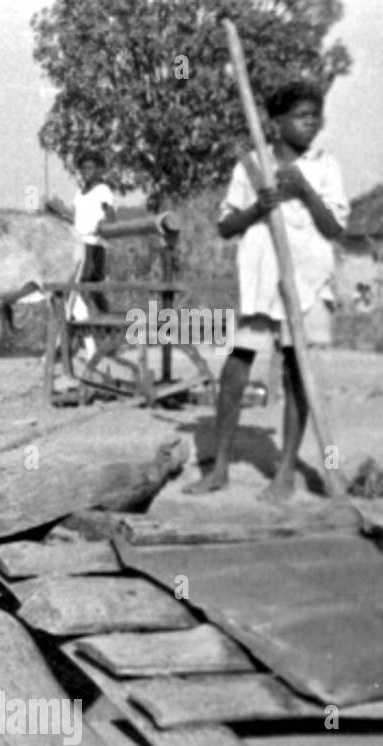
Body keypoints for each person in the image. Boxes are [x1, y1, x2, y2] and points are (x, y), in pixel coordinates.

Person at [185, 81, 347, 500]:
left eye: (316, 115)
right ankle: (219, 466)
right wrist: (260, 205)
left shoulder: (325, 166)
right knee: (236, 367)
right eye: (301, 115)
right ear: (276, 123)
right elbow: (225, 226)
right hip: (261, 282)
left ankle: (286, 471)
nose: (311, 123)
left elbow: (335, 229)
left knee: (297, 372)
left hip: (308, 285)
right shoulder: (252, 165)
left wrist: (305, 193)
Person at [72, 150, 116, 314]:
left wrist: (104, 222)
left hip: (94, 242)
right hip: (79, 242)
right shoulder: (79, 194)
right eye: (83, 169)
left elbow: (110, 213)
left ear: (98, 170)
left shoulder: (102, 190)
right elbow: (77, 218)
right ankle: (107, 320)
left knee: (85, 281)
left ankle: (87, 319)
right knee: (93, 286)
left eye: (90, 168)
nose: (86, 173)